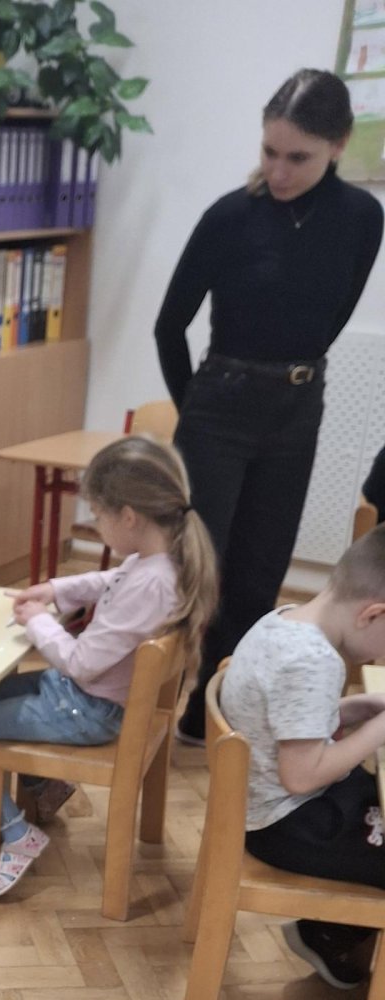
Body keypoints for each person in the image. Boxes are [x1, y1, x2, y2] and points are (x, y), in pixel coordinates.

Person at [155, 67, 383, 744]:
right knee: (199, 573)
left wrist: (292, 377)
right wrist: (195, 413)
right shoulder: (231, 216)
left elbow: (330, 318)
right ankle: (150, 712)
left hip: (297, 406)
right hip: (218, 407)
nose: (279, 171)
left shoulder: (362, 217)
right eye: (269, 152)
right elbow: (169, 326)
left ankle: (214, 717)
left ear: (338, 145)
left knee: (260, 574)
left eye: (298, 157)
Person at [0, 436, 217, 900]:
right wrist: (55, 590)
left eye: (99, 516)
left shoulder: (151, 586)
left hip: (85, 710)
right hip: (83, 700)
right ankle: (44, 786)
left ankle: (16, 834)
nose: (95, 525)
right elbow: (110, 579)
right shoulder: (161, 561)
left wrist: (38, 621)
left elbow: (81, 663)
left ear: (128, 516)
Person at [220, 527, 385, 1000]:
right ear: (373, 614)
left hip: (281, 808)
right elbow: (302, 776)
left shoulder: (285, 620)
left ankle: (330, 930)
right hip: (287, 824)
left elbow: (289, 721)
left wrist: (356, 708)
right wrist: (378, 729)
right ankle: (336, 944)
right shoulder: (313, 661)